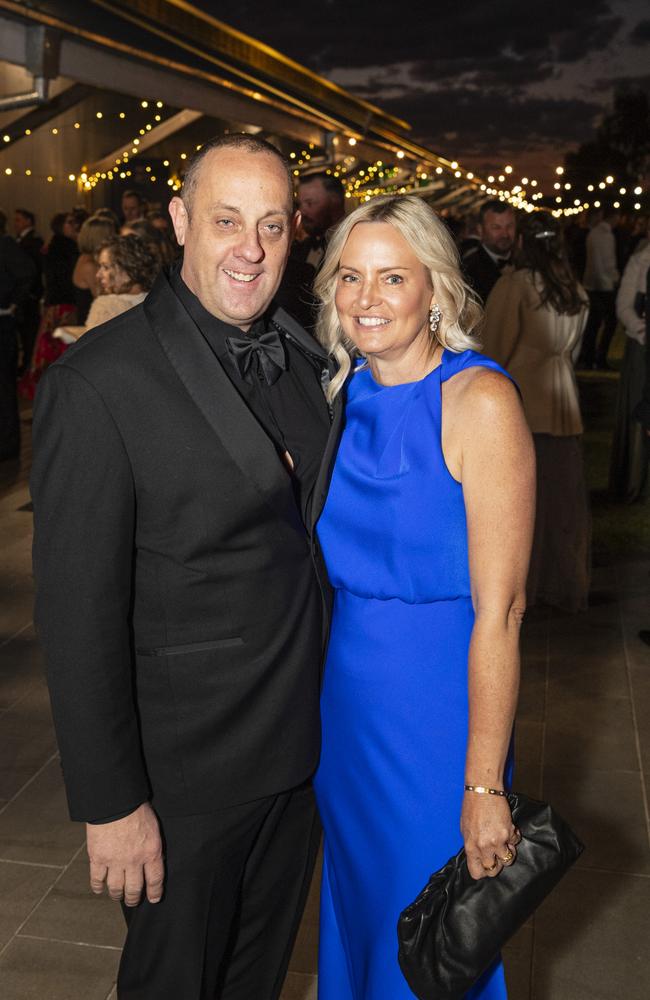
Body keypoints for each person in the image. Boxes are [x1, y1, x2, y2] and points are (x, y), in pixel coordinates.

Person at [31, 134, 341, 999]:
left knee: (255, 981)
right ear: (179, 221)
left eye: (273, 226)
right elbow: (77, 614)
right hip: (184, 780)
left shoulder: (310, 354)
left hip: (301, 754)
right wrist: (111, 803)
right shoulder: (99, 383)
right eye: (227, 221)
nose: (251, 249)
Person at [311, 195, 535, 999]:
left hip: (440, 720)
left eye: (392, 277)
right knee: (366, 924)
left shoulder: (479, 401)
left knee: (432, 946)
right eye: (350, 276)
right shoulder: (335, 399)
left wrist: (483, 785)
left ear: (434, 289)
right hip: (348, 718)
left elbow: (502, 611)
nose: (367, 298)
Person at [483, 212, 589, 613]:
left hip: (525, 400)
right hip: (564, 400)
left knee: (522, 505)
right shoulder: (572, 288)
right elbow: (573, 352)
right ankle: (560, 582)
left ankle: (527, 586)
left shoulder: (516, 285)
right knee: (561, 503)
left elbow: (494, 349)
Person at [18, 212, 79, 399]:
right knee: (59, 349)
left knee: (49, 349)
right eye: (69, 222)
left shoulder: (54, 245)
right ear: (60, 225)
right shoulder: (65, 246)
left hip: (56, 302)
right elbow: (64, 279)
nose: (74, 225)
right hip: (63, 304)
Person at [609, 221, 650, 501]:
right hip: (642, 346)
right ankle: (636, 479)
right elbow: (623, 306)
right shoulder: (640, 260)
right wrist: (641, 329)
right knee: (639, 405)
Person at [55, 234, 158, 342]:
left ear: (127, 271)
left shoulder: (105, 305)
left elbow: (93, 349)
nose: (98, 274)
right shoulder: (158, 300)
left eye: (106, 267)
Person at [276, 172, 346, 329]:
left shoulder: (356, 246)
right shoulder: (297, 250)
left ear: (334, 203)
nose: (303, 212)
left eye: (310, 203)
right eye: (300, 204)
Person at [0, 208, 35, 460]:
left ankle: (8, 446)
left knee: (4, 387)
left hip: (3, 324)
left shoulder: (6, 244)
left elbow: (28, 274)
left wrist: (12, 304)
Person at [579, 207, 620, 370]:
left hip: (591, 283)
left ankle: (589, 357)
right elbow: (608, 262)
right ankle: (600, 357)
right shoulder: (605, 235)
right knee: (610, 322)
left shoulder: (594, 233)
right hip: (604, 285)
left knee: (593, 323)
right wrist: (615, 278)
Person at [462, 200, 516, 304]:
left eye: (509, 226)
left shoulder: (525, 262)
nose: (505, 234)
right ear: (480, 230)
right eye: (496, 227)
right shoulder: (468, 270)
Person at [13, 207, 44, 370]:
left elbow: (33, 270)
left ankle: (27, 367)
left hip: (29, 296)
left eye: (18, 220)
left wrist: (30, 293)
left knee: (29, 334)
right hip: (26, 295)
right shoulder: (22, 240)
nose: (15, 224)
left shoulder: (33, 242)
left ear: (28, 221)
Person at [72, 215, 118, 323]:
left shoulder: (84, 258)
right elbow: (101, 298)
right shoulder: (89, 265)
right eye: (112, 233)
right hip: (90, 323)